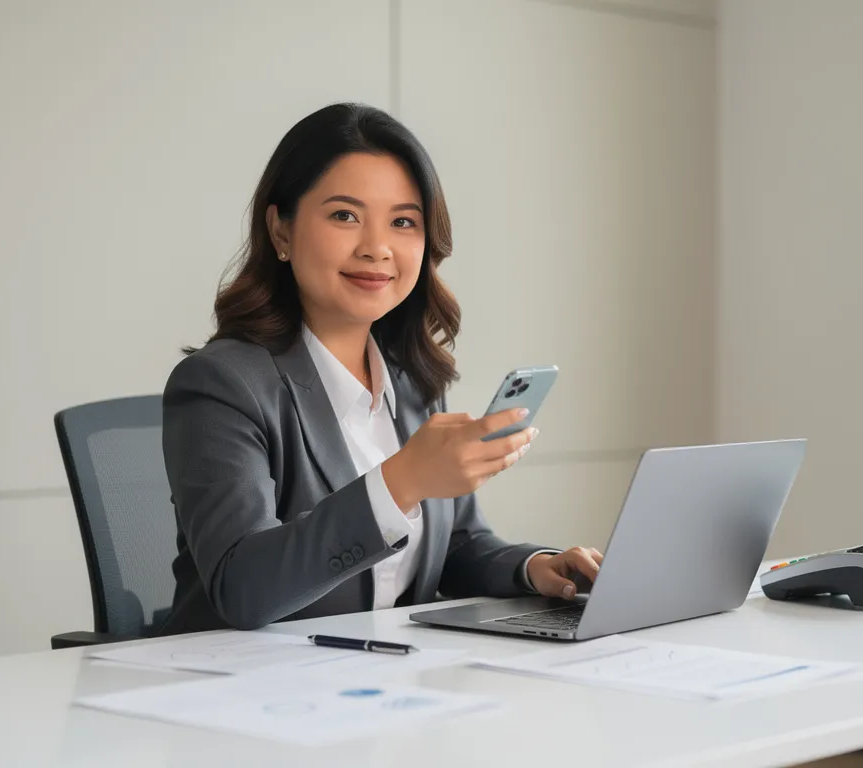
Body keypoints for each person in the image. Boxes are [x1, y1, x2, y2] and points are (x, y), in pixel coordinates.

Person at [158, 103, 603, 635]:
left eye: (402, 222)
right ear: (280, 231)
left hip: (378, 685)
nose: (377, 248)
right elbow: (242, 588)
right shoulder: (222, 384)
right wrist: (400, 481)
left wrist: (536, 570)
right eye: (345, 215)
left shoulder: (412, 382)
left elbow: (455, 544)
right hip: (238, 691)